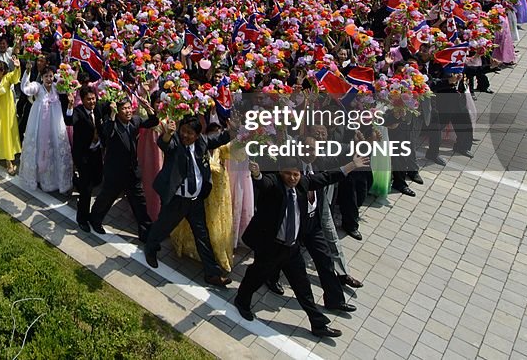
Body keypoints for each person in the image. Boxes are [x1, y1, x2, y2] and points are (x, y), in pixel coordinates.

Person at [234, 151, 369, 337]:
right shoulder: (274, 184)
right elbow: (263, 183)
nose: (292, 178)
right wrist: (256, 175)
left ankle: (318, 324)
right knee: (255, 277)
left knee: (303, 287)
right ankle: (242, 302)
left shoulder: (304, 183)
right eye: (288, 174)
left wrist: (351, 165)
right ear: (281, 171)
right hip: (271, 247)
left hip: (292, 248)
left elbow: (327, 177)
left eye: (296, 174)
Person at [144, 117, 233, 287]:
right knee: (163, 226)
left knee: (202, 236)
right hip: (177, 200)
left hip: (195, 201)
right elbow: (164, 145)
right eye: (183, 131)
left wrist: (234, 129)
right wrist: (168, 134)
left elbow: (221, 138)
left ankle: (212, 274)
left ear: (198, 135)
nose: (185, 135)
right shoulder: (175, 142)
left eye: (190, 133)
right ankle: (150, 248)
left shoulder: (203, 142)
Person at [89, 95, 159, 241]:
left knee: (139, 202)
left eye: (129, 108)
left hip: (132, 171)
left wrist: (148, 108)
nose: (128, 111)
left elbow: (153, 121)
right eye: (124, 109)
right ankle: (95, 219)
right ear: (118, 111)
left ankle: (146, 232)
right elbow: (106, 133)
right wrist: (112, 114)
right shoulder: (112, 124)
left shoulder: (135, 120)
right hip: (115, 172)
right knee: (106, 198)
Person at [17, 64, 74, 194]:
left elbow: (69, 86)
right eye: (46, 76)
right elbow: (25, 88)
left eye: (50, 76)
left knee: (55, 148)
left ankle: (56, 181)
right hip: (39, 124)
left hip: (55, 124)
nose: (48, 79)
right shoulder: (38, 87)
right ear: (41, 77)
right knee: (38, 148)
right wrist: (27, 71)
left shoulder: (56, 87)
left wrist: (66, 72)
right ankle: (36, 178)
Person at [62, 85, 106, 231]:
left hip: (96, 152)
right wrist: (69, 104)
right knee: (86, 189)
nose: (92, 102)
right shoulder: (78, 112)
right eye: (89, 99)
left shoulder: (98, 108)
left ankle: (78, 183)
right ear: (82, 100)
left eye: (93, 98)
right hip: (83, 155)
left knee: (98, 180)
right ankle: (82, 218)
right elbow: (69, 121)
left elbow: (110, 106)